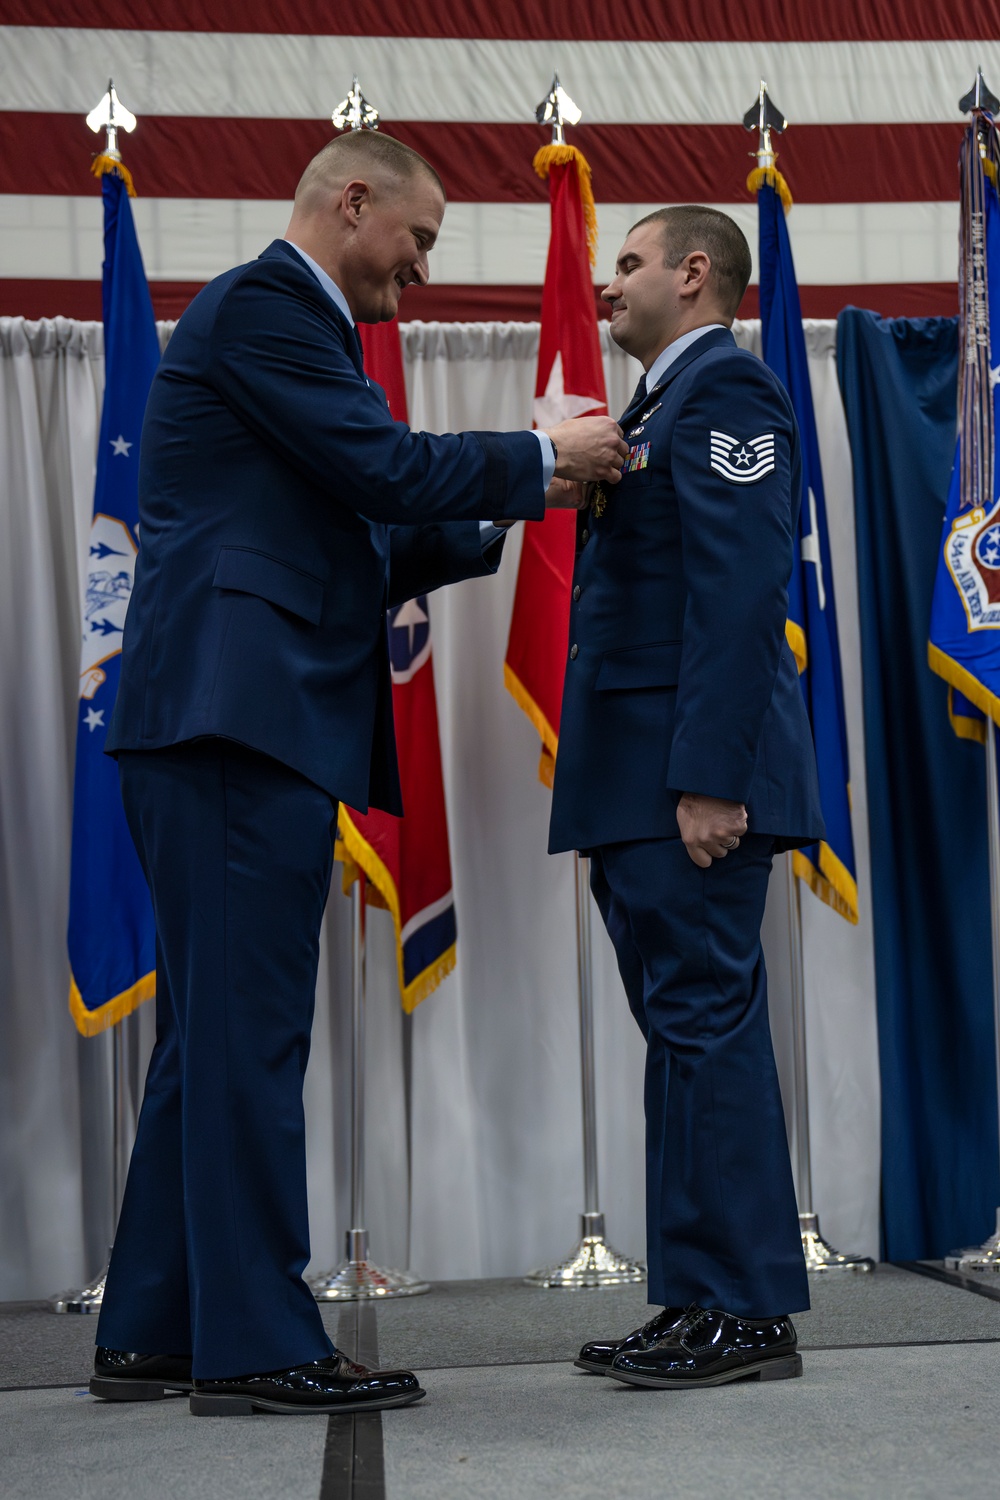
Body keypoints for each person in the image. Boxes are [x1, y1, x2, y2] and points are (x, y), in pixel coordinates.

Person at [90, 130, 628, 1418]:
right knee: (245, 1044)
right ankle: (258, 1344)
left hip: (231, 722)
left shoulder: (283, 332)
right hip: (234, 725)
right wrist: (546, 457)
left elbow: (362, 539)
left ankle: (157, 1326)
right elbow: (383, 472)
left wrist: (512, 502)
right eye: (420, 238)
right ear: (350, 201)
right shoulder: (266, 307)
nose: (424, 270)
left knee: (209, 1043)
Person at [548, 205, 825, 1389]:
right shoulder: (658, 409)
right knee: (681, 1037)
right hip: (635, 780)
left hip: (685, 783)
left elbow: (733, 594)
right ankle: (698, 1295)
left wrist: (711, 780)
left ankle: (749, 1313)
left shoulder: (729, 399)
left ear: (695, 274)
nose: (608, 286)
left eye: (628, 263)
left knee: (707, 1029)